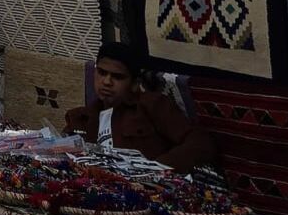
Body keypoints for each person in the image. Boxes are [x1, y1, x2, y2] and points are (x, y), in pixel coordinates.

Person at [64, 43, 217, 171]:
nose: (106, 82)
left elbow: (200, 143)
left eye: (117, 77)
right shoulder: (80, 118)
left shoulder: (151, 105)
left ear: (135, 83)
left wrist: (155, 168)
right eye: (102, 73)